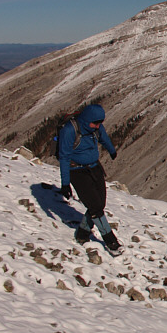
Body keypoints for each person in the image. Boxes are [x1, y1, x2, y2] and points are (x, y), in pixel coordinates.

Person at [57, 104, 121, 255]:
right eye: (95, 123)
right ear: (87, 120)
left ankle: (82, 233)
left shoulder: (96, 128)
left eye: (100, 123)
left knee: (99, 204)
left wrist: (112, 150)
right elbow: (64, 157)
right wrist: (65, 183)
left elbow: (103, 138)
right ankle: (111, 241)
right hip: (77, 171)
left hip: (94, 168)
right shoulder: (69, 130)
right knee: (95, 207)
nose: (98, 126)